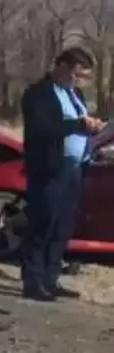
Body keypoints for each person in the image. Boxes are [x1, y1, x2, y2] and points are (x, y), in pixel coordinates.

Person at [20, 44, 104, 301]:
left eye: (83, 78)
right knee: (43, 223)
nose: (78, 81)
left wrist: (94, 130)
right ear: (62, 67)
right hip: (49, 168)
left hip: (75, 169)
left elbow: (76, 125)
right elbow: (43, 129)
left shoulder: (75, 94)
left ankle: (50, 279)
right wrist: (77, 124)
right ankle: (33, 281)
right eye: (76, 75)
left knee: (62, 227)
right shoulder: (39, 94)